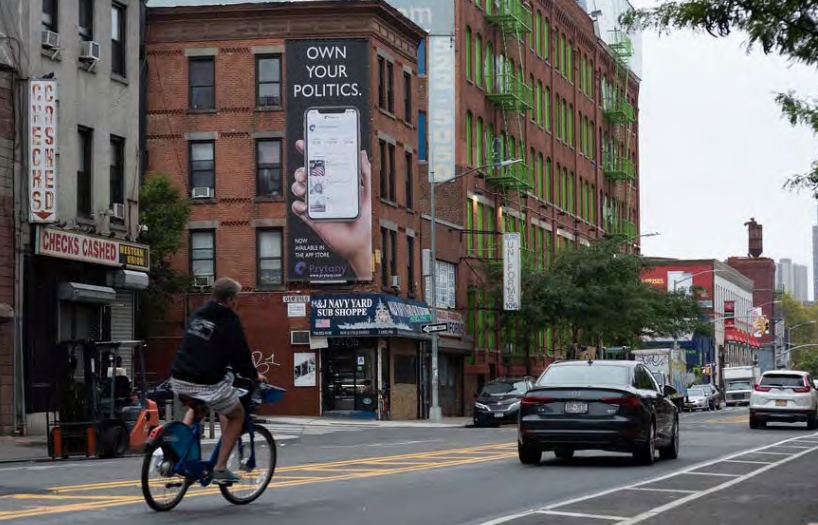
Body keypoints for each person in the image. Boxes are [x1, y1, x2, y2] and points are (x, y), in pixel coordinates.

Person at [169, 277, 267, 484]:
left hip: (179, 377)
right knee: (236, 415)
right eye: (237, 298)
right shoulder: (229, 320)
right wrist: (253, 375)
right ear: (231, 300)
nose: (238, 302)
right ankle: (220, 468)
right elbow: (240, 355)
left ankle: (178, 454)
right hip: (205, 382)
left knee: (197, 408)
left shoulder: (198, 313)